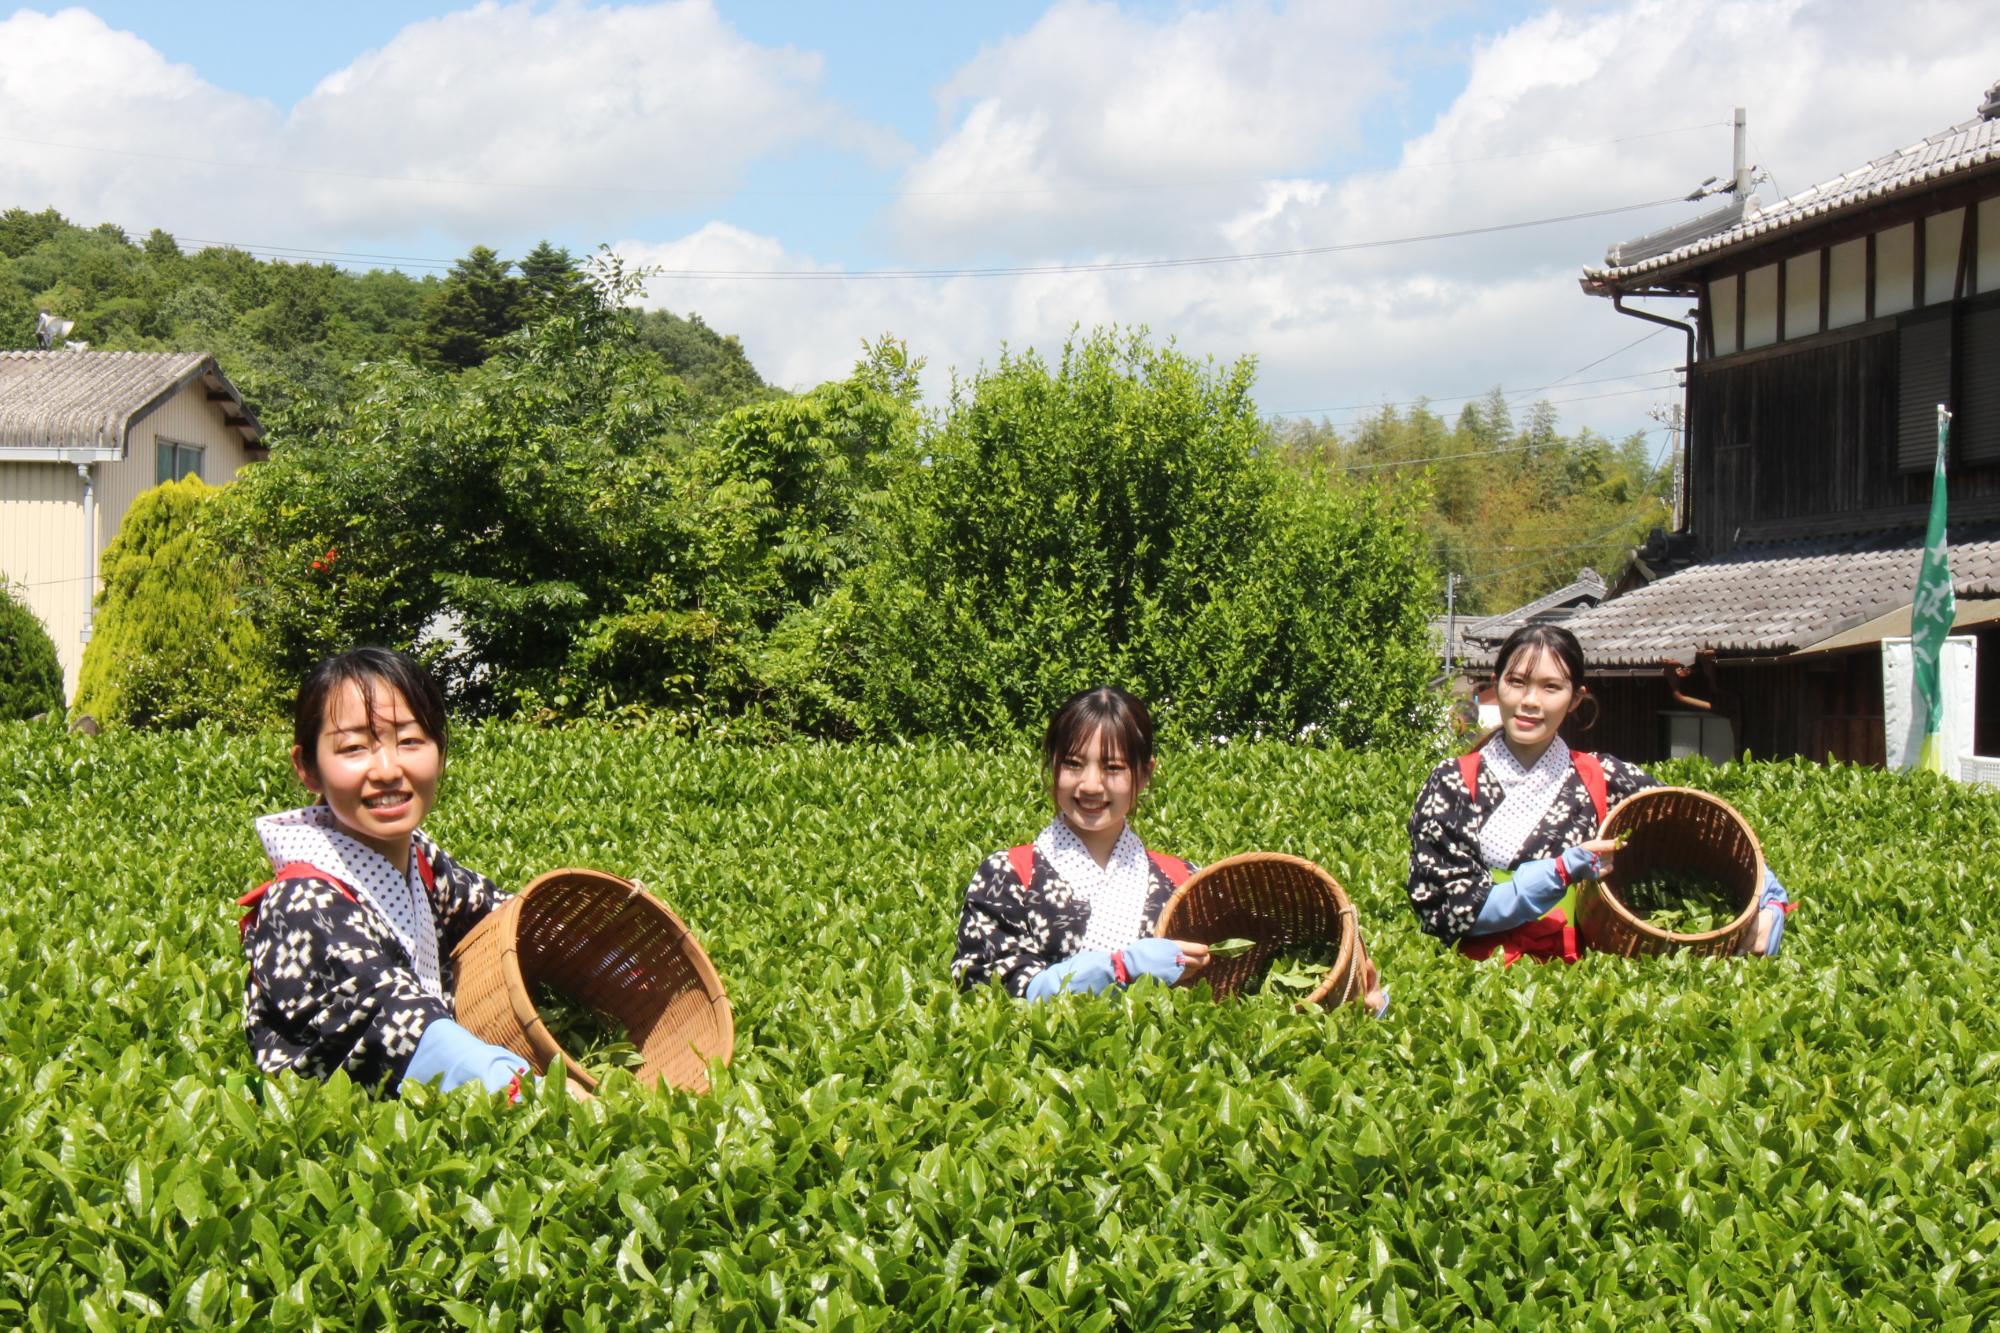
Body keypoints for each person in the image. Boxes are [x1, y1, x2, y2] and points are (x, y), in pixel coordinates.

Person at [240, 647, 532, 1095]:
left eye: (410, 741)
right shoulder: (301, 904)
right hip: (348, 1137)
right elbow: (395, 1020)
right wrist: (531, 1090)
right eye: (353, 747)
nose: (388, 770)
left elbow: (507, 918)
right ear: (307, 768)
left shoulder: (422, 863)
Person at [1407, 624, 1790, 965]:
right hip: (1480, 981)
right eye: (1517, 682)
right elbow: (1448, 910)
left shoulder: (1602, 776)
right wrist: (1559, 872)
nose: (1530, 701)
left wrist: (1769, 903)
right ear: (1496, 683)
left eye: (1551, 687)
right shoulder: (1452, 783)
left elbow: (1701, 830)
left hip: (1584, 981)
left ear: (1575, 698)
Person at [952, 686, 1214, 1000]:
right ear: (1053, 767)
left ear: (1144, 775)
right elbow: (984, 989)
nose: (1090, 785)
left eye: (1113, 768)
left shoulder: (1183, 881)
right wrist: (1120, 967)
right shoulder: (1007, 875)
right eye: (1073, 764)